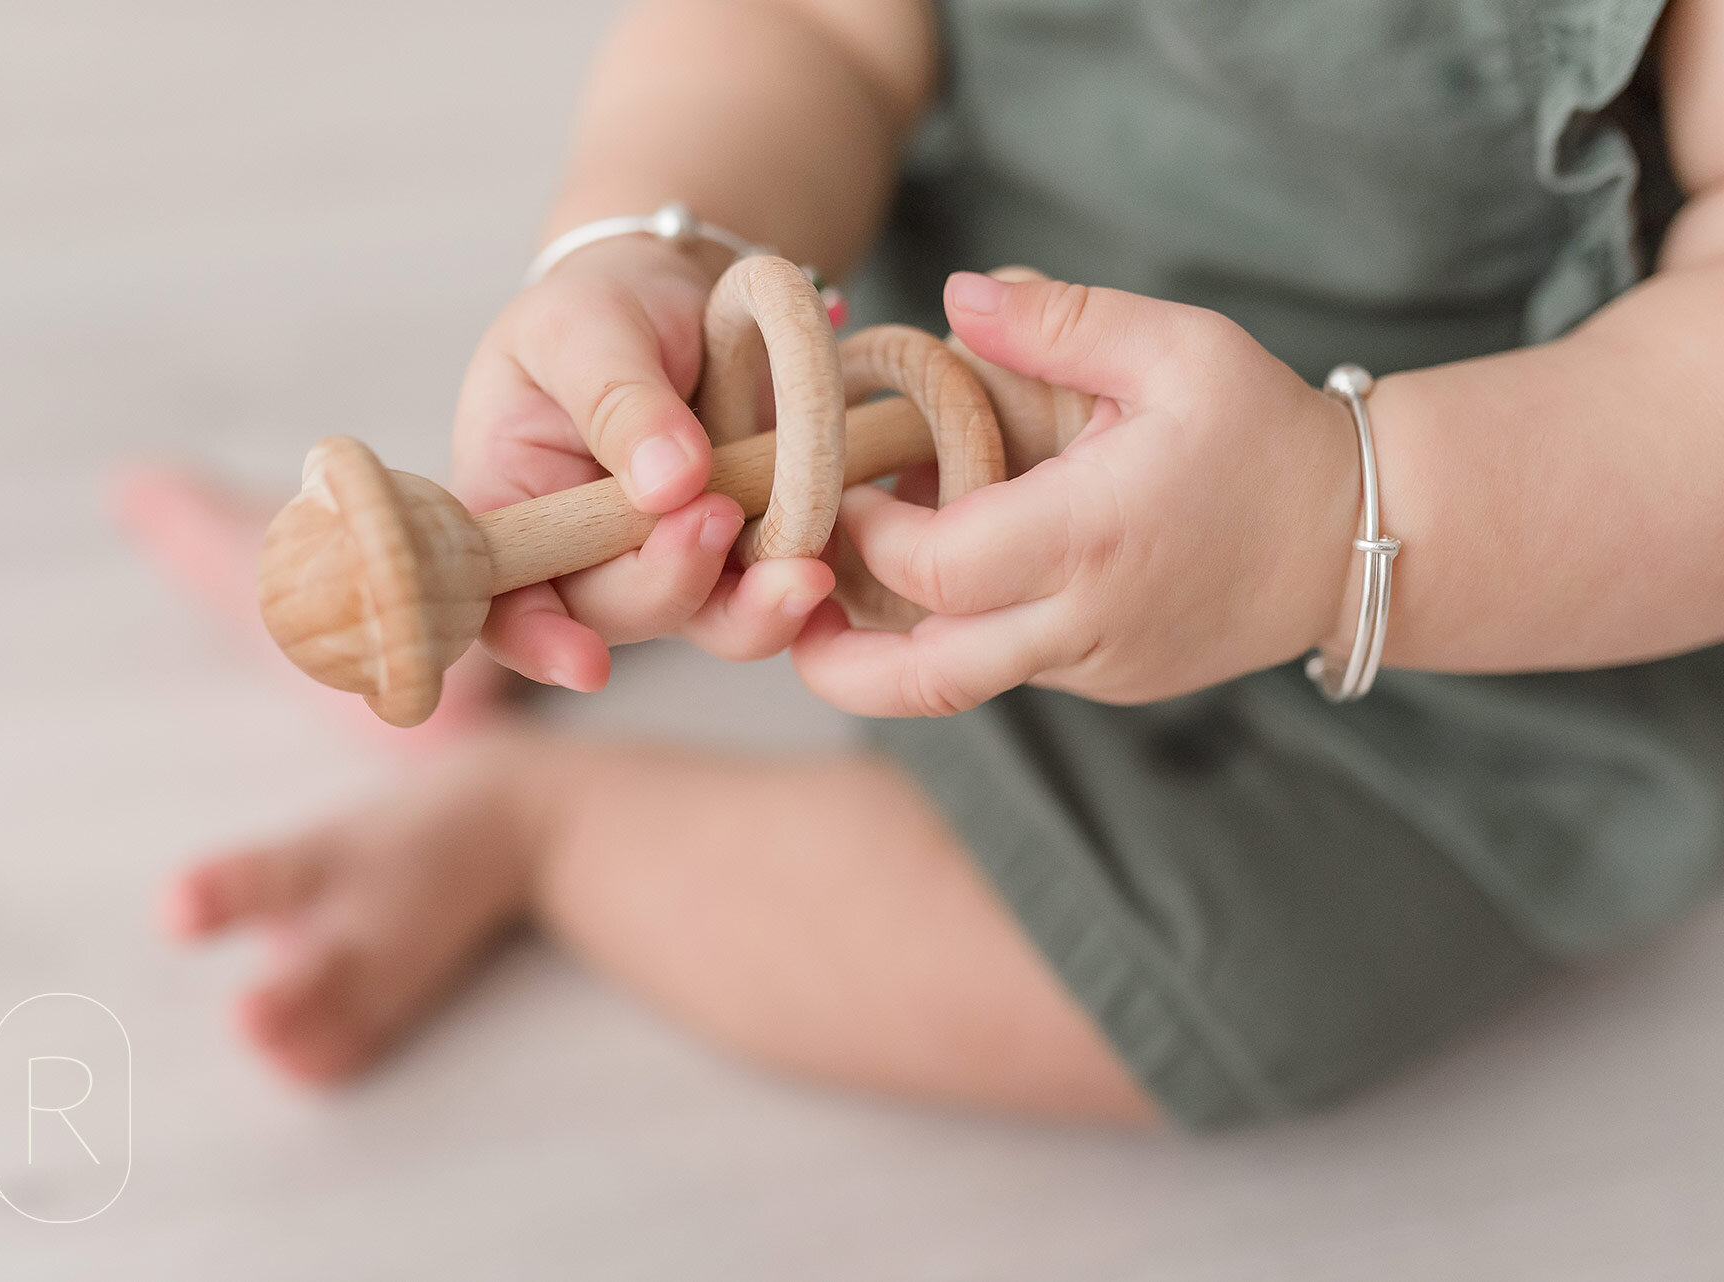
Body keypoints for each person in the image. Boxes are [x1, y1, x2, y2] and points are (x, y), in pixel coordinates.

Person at [134, 0, 1724, 1128]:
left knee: (1235, 976)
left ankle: (538, 834)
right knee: (643, 437)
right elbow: (807, 28)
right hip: (898, 344)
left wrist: (1327, 524)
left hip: (1462, 582)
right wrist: (653, 246)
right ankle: (496, 587)